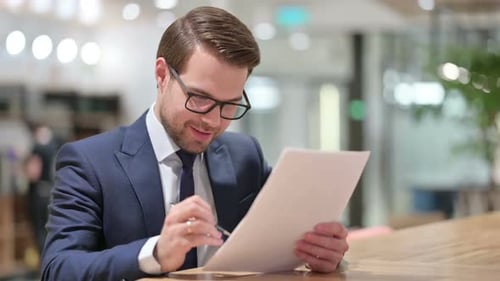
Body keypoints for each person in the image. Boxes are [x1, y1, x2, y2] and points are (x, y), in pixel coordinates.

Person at [41, 6, 349, 281]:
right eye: (200, 99)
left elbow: (281, 240)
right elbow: (58, 269)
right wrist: (156, 253)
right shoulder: (91, 162)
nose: (213, 121)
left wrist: (321, 250)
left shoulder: (245, 157)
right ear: (162, 75)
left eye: (229, 105)